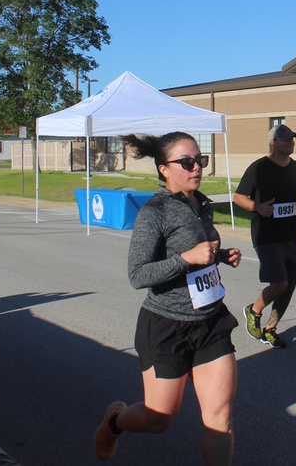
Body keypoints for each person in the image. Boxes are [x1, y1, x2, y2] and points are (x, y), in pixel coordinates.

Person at [93, 132, 242, 464]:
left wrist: (220, 256)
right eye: (186, 162)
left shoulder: (201, 203)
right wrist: (188, 258)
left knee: (220, 418)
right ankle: (114, 423)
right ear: (164, 169)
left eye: (199, 160)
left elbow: (198, 255)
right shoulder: (154, 211)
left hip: (211, 322)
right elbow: (138, 274)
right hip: (166, 326)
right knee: (159, 418)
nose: (196, 167)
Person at [233, 124, 296, 349]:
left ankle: (271, 328)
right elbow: (238, 197)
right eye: (285, 139)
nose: (290, 142)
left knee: (290, 283)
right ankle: (253, 311)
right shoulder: (259, 168)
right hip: (266, 235)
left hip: (290, 234)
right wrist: (257, 207)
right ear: (273, 142)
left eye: (292, 138)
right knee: (279, 283)